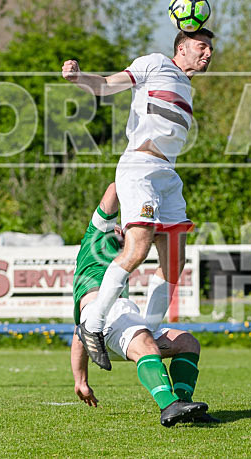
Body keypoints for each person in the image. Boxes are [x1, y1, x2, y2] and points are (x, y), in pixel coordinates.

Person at [62, 28, 214, 369]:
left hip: (167, 175)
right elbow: (105, 85)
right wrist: (77, 77)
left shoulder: (186, 87)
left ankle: (151, 329)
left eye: (211, 49)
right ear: (182, 47)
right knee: (138, 247)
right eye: (201, 46)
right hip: (139, 167)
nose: (208, 54)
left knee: (175, 261)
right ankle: (93, 324)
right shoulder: (155, 63)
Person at [71, 183, 219, 426]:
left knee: (187, 342)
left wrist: (81, 381)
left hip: (116, 323)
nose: (123, 228)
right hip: (110, 317)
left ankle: (183, 403)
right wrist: (141, 179)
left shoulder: (118, 264)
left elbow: (80, 333)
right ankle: (168, 405)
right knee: (145, 340)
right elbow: (114, 187)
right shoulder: (96, 236)